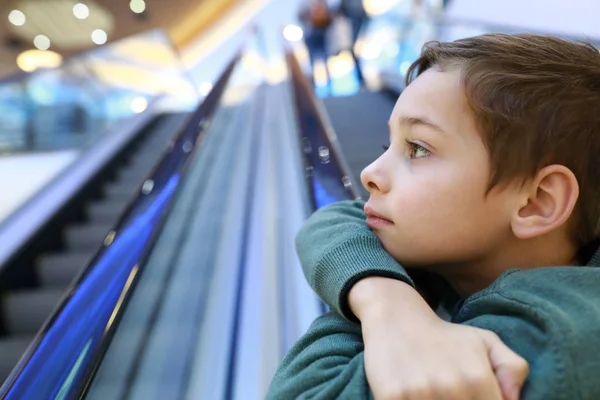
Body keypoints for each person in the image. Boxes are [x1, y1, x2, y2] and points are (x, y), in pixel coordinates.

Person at [267, 33, 600, 399]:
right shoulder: (476, 255)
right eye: (387, 144)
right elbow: (332, 221)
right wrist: (388, 303)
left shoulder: (547, 345)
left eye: (418, 149)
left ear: (536, 201)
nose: (369, 174)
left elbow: (306, 392)